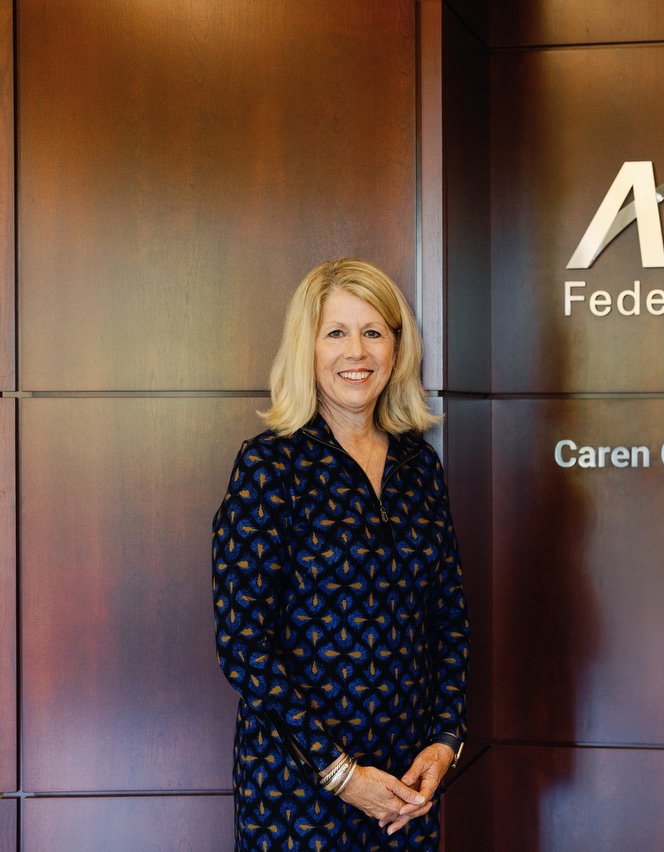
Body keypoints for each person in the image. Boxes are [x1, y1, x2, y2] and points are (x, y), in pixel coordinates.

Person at [212, 258, 469, 850]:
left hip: (406, 792)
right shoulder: (269, 467)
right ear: (307, 348)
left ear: (397, 349)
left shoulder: (419, 466)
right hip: (298, 791)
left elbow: (448, 617)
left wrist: (445, 741)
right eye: (336, 333)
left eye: (374, 332)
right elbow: (244, 645)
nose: (357, 352)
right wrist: (341, 773)